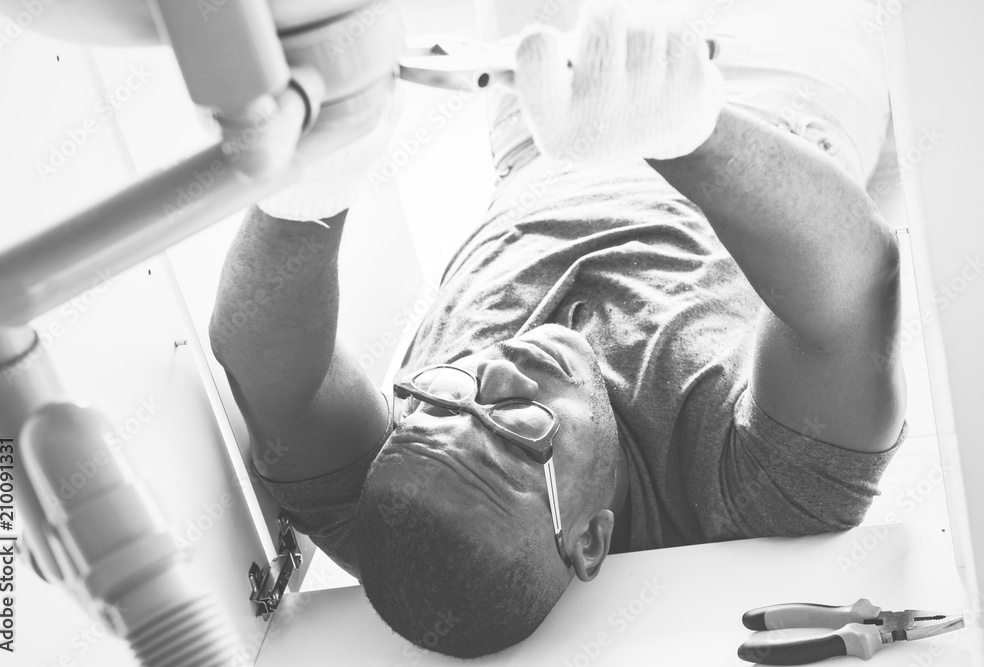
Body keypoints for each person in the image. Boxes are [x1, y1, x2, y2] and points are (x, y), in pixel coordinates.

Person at [209, 0, 906, 658]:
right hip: (762, 100)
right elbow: (856, 285)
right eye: (518, 427)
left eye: (445, 397)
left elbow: (259, 356)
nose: (500, 368)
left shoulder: (408, 503)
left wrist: (323, 170)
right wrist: (684, 133)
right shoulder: (746, 501)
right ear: (588, 540)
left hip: (541, 122)